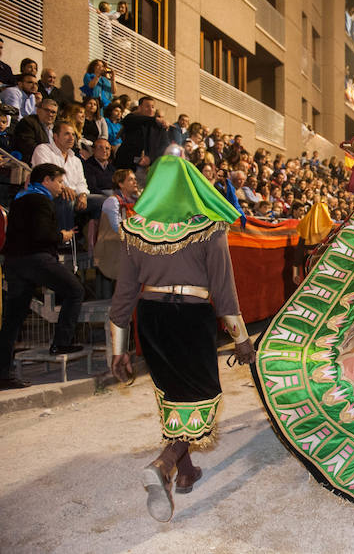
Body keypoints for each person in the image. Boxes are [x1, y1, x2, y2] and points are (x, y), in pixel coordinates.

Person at [107, 154, 254, 522]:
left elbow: (124, 292)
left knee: (173, 396)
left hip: (151, 318)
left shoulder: (135, 228)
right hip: (191, 316)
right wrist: (241, 339)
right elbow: (224, 290)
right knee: (199, 399)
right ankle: (164, 464)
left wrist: (118, 349)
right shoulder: (209, 226)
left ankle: (186, 472)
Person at [0, 164, 83, 389]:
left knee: (13, 319)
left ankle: (3, 374)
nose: (61, 187)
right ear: (47, 180)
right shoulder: (40, 200)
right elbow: (42, 234)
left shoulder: (19, 198)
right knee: (75, 291)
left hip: (14, 262)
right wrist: (62, 235)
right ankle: (61, 343)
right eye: (58, 181)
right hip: (35, 259)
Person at [31, 121, 91, 230]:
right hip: (49, 196)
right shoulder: (43, 149)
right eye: (67, 134)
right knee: (66, 199)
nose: (71, 138)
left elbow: (81, 182)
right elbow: (45, 175)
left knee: (103, 201)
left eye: (73, 135)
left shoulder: (76, 159)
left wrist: (83, 195)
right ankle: (64, 240)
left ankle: (91, 243)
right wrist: (63, 188)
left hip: (75, 196)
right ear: (55, 136)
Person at [93, 168, 138, 291]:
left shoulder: (136, 201)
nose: (135, 182)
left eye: (135, 179)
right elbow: (117, 228)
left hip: (129, 241)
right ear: (121, 184)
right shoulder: (112, 201)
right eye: (130, 180)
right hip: (112, 243)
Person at [11, 98, 56, 164]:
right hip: (31, 163)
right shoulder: (28, 122)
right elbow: (29, 147)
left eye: (53, 112)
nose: (50, 114)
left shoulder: (56, 128)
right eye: (47, 110)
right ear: (38, 110)